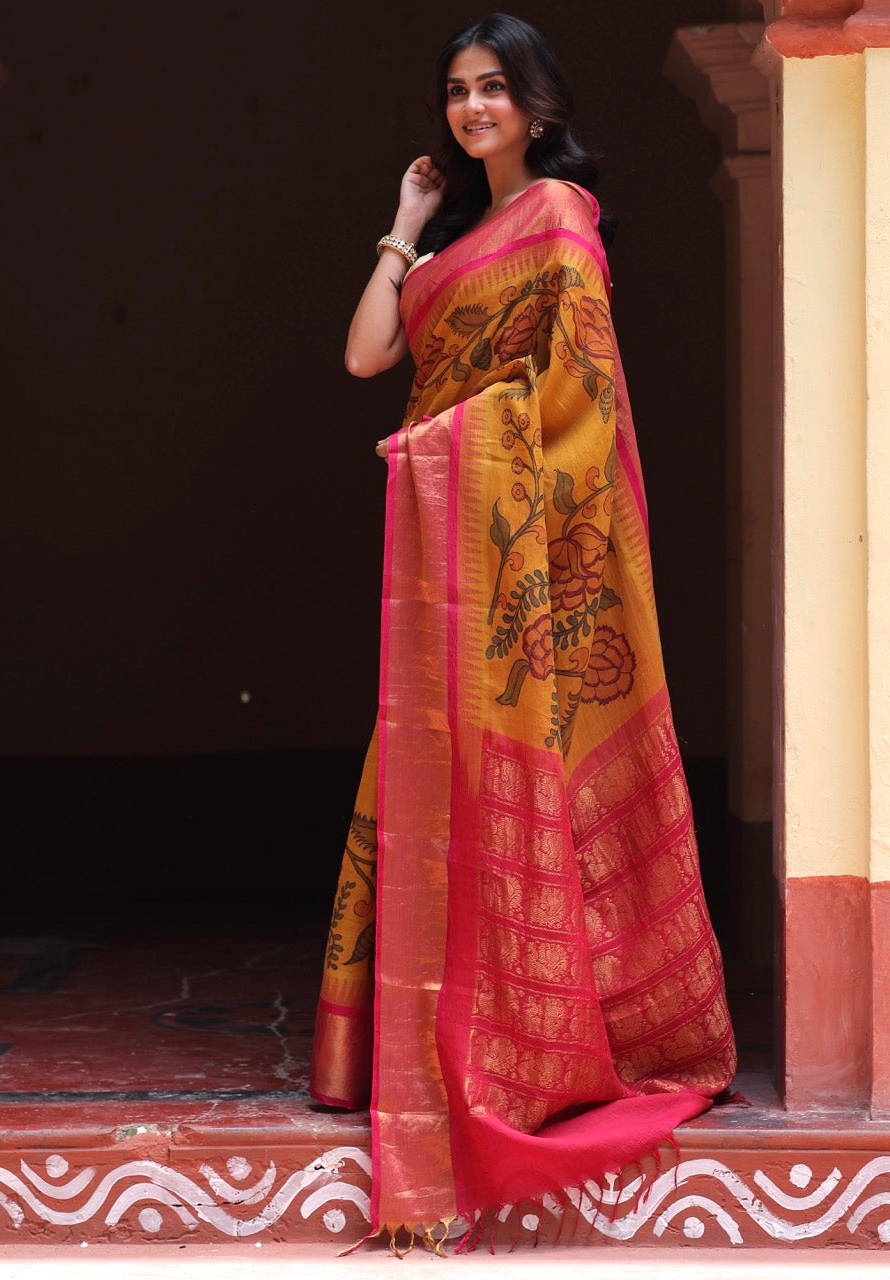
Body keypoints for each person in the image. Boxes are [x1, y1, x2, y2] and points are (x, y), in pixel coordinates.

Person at [310, 11, 737, 1255]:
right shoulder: (450, 241)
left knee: (506, 794)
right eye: (457, 90)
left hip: (515, 557)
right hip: (448, 549)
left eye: (495, 88)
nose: (473, 107)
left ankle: (531, 1041)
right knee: (420, 779)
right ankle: (420, 1035)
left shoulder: (558, 224)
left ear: (537, 106)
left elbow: (580, 399)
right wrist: (402, 223)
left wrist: (458, 445)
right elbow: (365, 355)